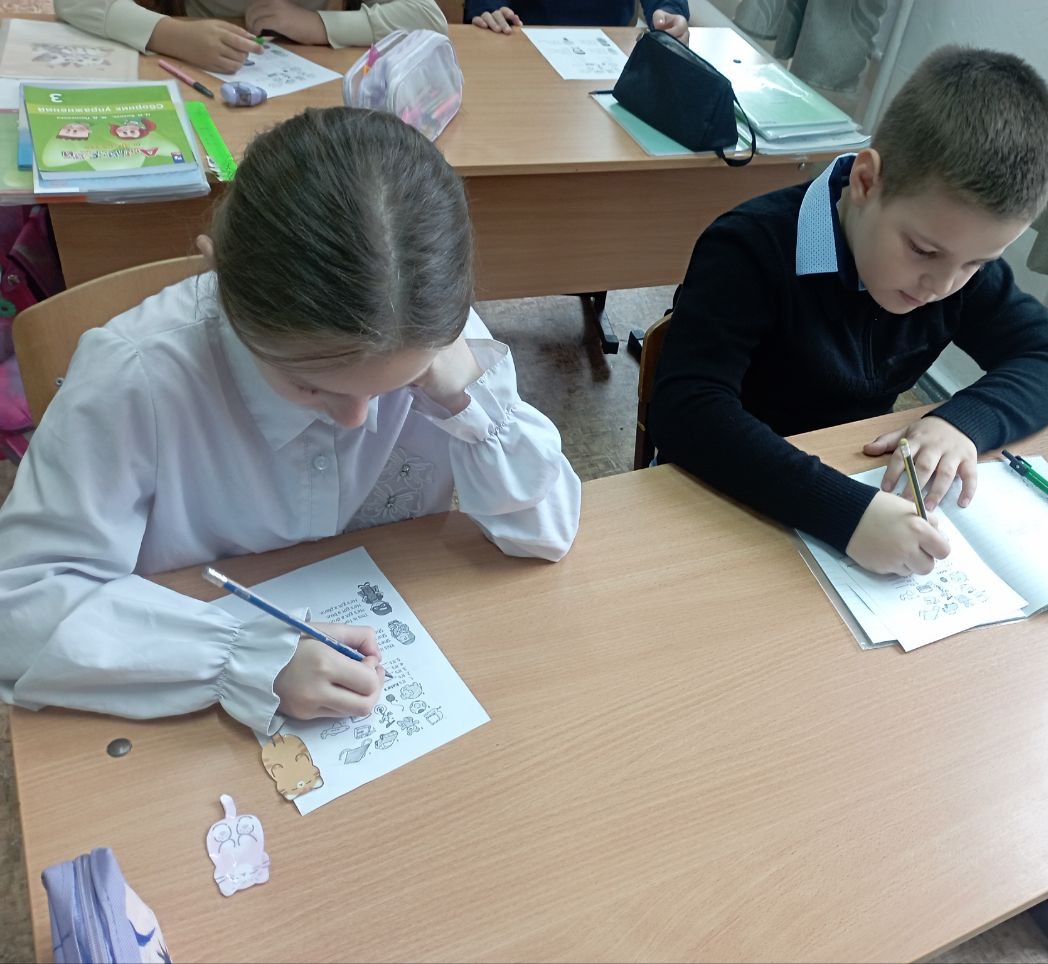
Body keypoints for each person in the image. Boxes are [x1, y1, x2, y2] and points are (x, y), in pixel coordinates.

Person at [0, 107, 581, 735]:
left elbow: (546, 533)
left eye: (397, 384)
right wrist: (241, 658)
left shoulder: (428, 328)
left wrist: (467, 399)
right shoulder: (134, 377)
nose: (357, 419)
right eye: (311, 386)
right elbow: (19, 606)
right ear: (220, 278)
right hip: (189, 722)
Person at [649, 46, 1048, 577]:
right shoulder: (748, 248)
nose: (942, 285)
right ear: (865, 182)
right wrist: (846, 514)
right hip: (723, 495)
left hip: (843, 479)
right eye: (922, 251)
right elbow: (688, 410)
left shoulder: (953, 257)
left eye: (977, 263)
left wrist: (962, 423)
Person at [53, 0, 448, 74]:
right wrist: (170, 34)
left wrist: (316, 24)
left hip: (313, 89)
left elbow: (428, 16)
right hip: (199, 79)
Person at [467, 0, 689, 42]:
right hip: (523, 41)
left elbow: (667, 5)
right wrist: (489, 8)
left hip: (607, 49)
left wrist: (668, 12)